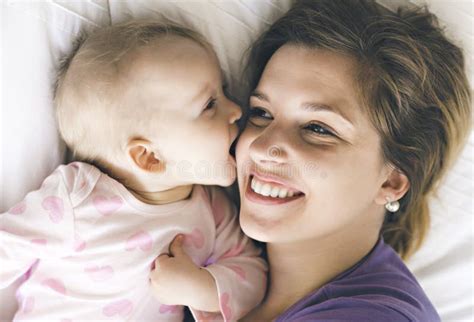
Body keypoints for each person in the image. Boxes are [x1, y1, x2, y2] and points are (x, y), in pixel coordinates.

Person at [0, 21, 267, 321]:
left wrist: (201, 287)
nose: (236, 111)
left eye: (225, 91)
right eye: (209, 105)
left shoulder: (212, 209)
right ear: (149, 157)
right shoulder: (77, 197)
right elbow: (7, 247)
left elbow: (254, 276)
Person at [236, 0, 471, 321]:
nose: (263, 147)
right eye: (262, 113)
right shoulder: (215, 258)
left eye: (318, 129)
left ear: (392, 180)